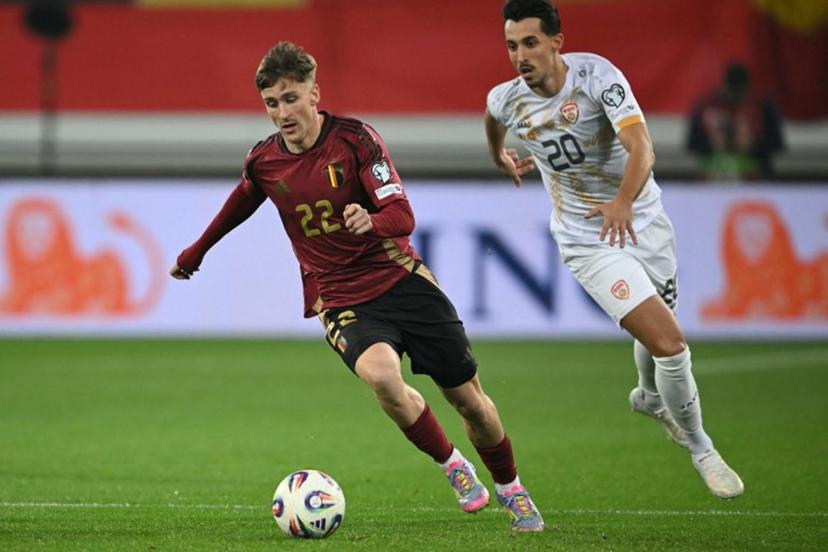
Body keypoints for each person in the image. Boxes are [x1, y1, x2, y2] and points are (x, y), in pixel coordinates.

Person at [170, 41, 544, 531]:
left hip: (401, 281)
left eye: (290, 98)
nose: (282, 112)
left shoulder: (355, 140)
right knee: (384, 379)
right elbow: (242, 201)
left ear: (314, 94)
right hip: (339, 295)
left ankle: (511, 488)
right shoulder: (264, 161)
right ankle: (452, 465)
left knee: (469, 401)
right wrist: (197, 251)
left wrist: (373, 220)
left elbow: (403, 215)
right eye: (271, 103)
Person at [484, 0, 744, 499]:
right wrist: (499, 154)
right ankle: (701, 447)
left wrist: (624, 201)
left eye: (531, 43)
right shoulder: (507, 98)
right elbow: (493, 118)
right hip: (587, 241)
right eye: (512, 45)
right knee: (670, 343)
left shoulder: (597, 77)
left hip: (644, 220)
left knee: (660, 324)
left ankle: (648, 397)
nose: (520, 55)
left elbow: (642, 146)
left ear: (557, 42)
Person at [687, 62, 785, 180]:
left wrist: (754, 145)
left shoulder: (762, 106)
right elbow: (692, 144)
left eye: (739, 94)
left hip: (754, 169)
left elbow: (775, 143)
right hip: (714, 168)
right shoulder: (707, 105)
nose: (735, 98)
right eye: (733, 93)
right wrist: (711, 143)